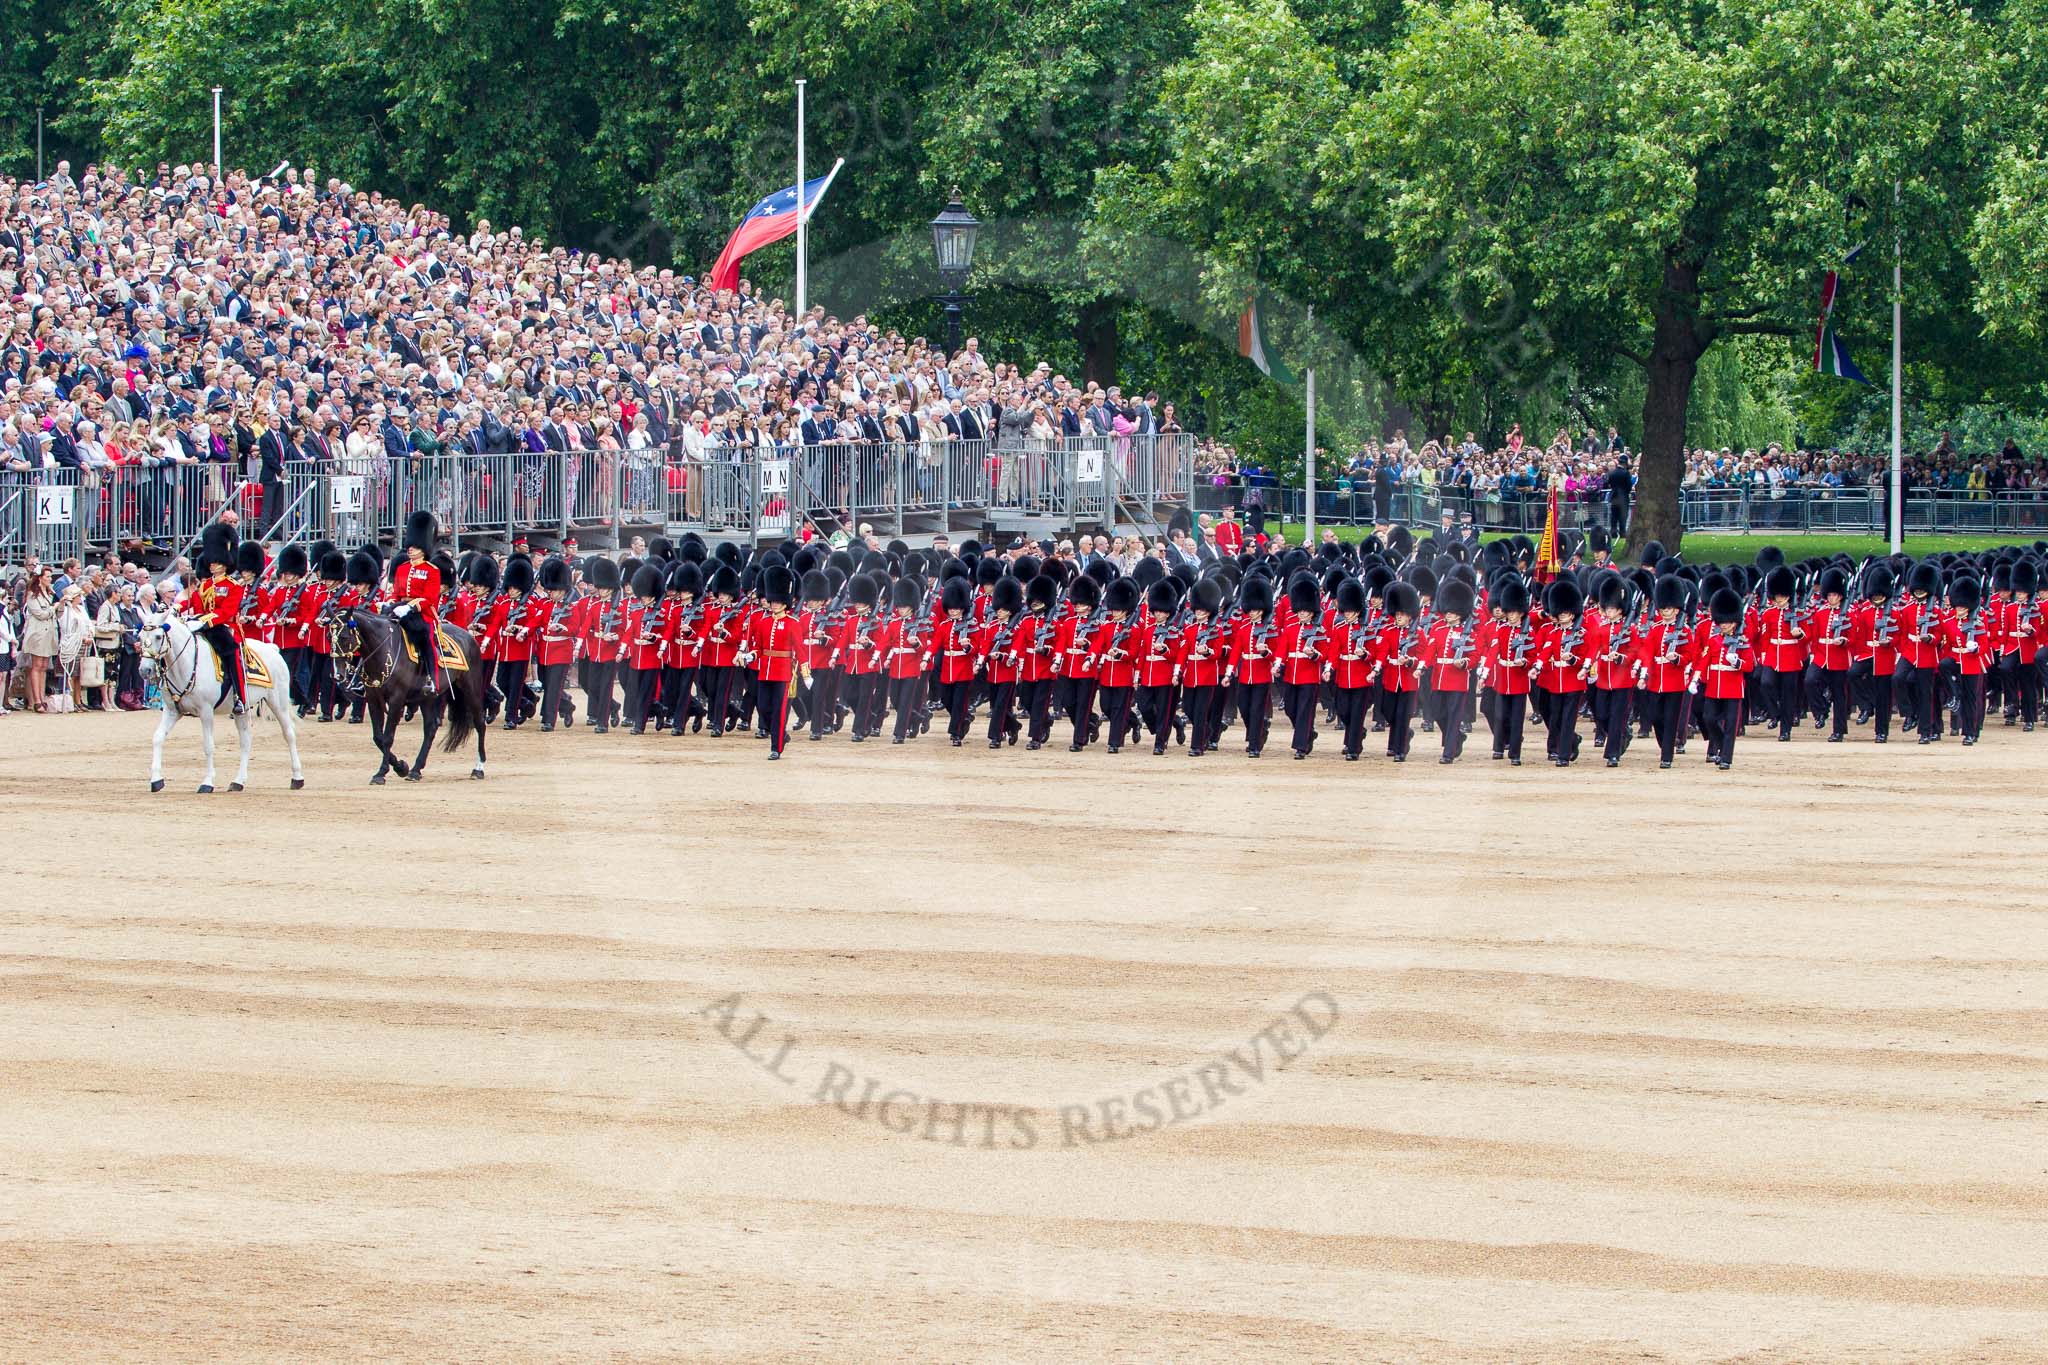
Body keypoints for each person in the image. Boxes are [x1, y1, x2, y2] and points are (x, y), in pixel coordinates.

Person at [185, 524, 248, 714]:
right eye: (211, 561)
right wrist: (193, 617)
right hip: (205, 626)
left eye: (216, 561)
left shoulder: (234, 586)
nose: (212, 564)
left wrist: (206, 621)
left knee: (231, 653)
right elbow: (197, 605)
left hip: (225, 627)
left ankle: (240, 698)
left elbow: (227, 611)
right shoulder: (204, 586)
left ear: (225, 562)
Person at [19, 566, 59, 712]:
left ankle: (42, 698)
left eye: (50, 577)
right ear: (40, 577)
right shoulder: (32, 594)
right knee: (36, 666)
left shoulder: (49, 592)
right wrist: (54, 607)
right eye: (47, 576)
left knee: (43, 667)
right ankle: (36, 700)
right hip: (38, 633)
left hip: (49, 632)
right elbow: (40, 614)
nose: (50, 579)